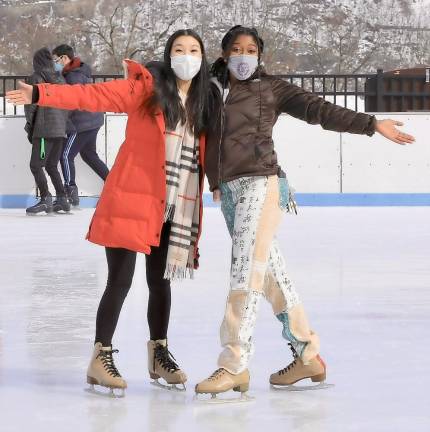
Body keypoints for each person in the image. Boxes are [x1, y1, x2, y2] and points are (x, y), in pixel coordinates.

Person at [195, 25, 415, 398]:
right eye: (236, 49)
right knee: (271, 278)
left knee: (245, 272)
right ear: (224, 54)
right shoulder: (211, 90)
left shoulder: (272, 88)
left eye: (251, 50)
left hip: (261, 184)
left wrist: (372, 124)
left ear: (259, 56)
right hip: (228, 193)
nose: (243, 56)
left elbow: (319, 110)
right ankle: (307, 355)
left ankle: (233, 364)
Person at [8, 29, 211, 396]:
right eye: (179, 50)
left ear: (202, 57)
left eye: (193, 50)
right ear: (168, 56)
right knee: (120, 280)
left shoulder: (203, 100)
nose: (186, 56)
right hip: (131, 198)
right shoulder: (146, 90)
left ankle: (158, 354)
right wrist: (41, 92)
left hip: (174, 205)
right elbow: (94, 94)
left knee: (160, 281)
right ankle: (101, 357)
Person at [52, 44, 109, 207]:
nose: (54, 64)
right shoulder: (77, 71)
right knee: (89, 155)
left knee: (65, 155)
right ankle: (112, 182)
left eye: (56, 60)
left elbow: (73, 102)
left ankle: (70, 190)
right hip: (93, 120)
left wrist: (60, 118)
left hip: (81, 123)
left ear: (64, 58)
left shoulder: (72, 76)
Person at [24, 47, 70, 215]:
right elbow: (68, 104)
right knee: (51, 165)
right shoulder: (60, 78)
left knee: (36, 165)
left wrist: (30, 126)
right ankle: (62, 199)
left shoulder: (36, 77)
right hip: (60, 129)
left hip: (44, 130)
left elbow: (31, 105)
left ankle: (45, 199)